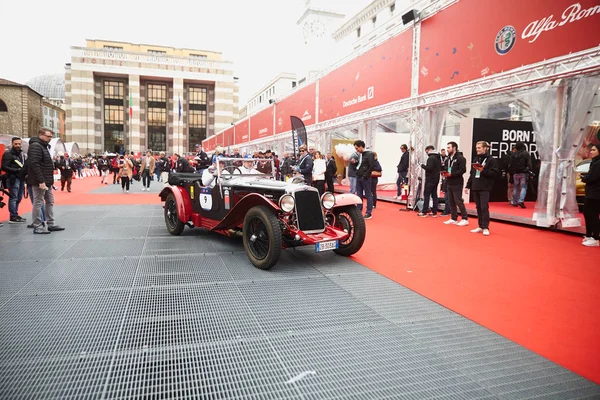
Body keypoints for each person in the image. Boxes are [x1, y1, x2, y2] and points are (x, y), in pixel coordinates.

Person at [27, 129, 65, 234]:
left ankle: (50, 223)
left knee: (50, 201)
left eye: (51, 137)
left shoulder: (43, 146)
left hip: (46, 180)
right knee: (38, 202)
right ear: (41, 135)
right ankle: (37, 225)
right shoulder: (36, 146)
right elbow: (34, 164)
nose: (50, 139)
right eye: (48, 136)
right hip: (40, 180)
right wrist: (41, 181)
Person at [466, 141, 499, 236]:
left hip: (485, 187)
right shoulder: (476, 159)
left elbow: (494, 173)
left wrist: (483, 170)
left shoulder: (491, 160)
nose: (477, 149)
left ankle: (485, 227)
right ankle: (480, 226)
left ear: (485, 148)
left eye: (479, 148)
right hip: (475, 186)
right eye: (477, 148)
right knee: (478, 207)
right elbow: (472, 173)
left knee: (484, 207)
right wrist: (468, 185)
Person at [1, 136, 27, 223]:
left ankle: (15, 214)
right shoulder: (8, 154)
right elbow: (3, 167)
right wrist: (17, 170)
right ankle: (13, 216)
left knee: (19, 197)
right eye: (16, 144)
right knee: (14, 197)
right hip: (12, 178)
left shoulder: (21, 154)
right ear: (12, 144)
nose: (17, 145)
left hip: (20, 178)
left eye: (19, 144)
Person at [443, 141, 469, 226]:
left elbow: (462, 170)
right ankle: (453, 218)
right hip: (449, 182)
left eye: (449, 147)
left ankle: (465, 218)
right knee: (451, 201)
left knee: (458, 201)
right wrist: (444, 173)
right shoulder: (448, 159)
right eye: (447, 147)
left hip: (457, 182)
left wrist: (452, 174)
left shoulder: (460, 158)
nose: (447, 149)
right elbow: (447, 168)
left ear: (454, 148)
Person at [581, 143, 600, 247]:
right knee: (587, 213)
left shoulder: (598, 163)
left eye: (594, 150)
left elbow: (593, 177)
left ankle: (595, 237)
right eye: (591, 150)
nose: (591, 152)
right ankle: (589, 235)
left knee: (593, 215)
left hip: (596, 193)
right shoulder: (594, 162)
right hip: (591, 192)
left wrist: (585, 178)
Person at [418, 145, 441, 218]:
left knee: (427, 195)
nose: (426, 153)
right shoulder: (438, 158)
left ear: (429, 150)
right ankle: (434, 212)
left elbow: (429, 168)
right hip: (436, 178)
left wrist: (422, 166)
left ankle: (424, 211)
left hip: (430, 179)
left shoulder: (431, 158)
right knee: (434, 195)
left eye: (427, 151)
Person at [354, 140, 375, 219]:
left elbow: (371, 166)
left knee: (368, 195)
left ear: (361, 146)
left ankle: (368, 212)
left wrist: (365, 176)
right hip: (359, 176)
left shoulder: (369, 154)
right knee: (359, 195)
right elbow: (361, 164)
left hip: (365, 178)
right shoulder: (361, 154)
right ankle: (359, 210)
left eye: (357, 148)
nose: (356, 150)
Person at [509, 141, 532, 208]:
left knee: (515, 187)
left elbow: (511, 165)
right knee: (524, 187)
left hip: (515, 173)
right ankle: (521, 201)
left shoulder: (513, 154)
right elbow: (529, 163)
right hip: (524, 173)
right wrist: (530, 171)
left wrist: (511, 172)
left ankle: (515, 201)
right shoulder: (526, 154)